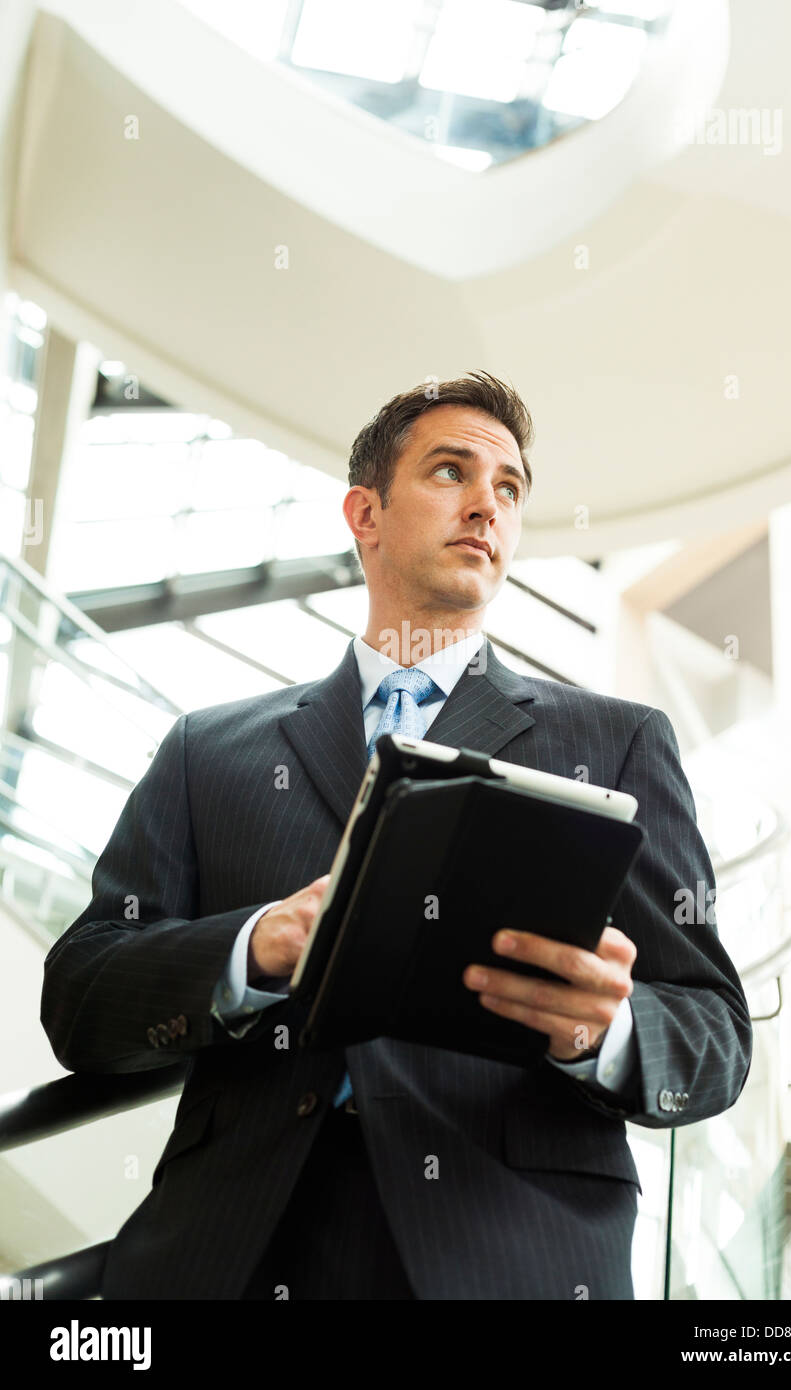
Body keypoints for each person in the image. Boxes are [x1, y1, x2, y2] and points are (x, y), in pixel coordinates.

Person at [41, 372, 751, 1300]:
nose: (486, 508)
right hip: (232, 1252)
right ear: (365, 514)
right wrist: (258, 946)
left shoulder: (616, 742)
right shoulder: (205, 753)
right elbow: (82, 997)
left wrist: (606, 1029)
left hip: (506, 1252)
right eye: (450, 471)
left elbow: (715, 1033)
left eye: (509, 490)